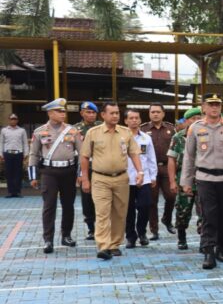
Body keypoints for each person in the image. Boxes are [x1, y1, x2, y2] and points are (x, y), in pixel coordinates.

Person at [181, 93, 223, 269]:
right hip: (205, 178)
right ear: (203, 107)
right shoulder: (195, 128)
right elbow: (188, 156)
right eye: (210, 104)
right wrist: (186, 181)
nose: (214, 107)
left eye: (217, 104)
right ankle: (208, 251)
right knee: (209, 215)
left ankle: (221, 247)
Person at [80, 102, 144, 260]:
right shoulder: (93, 133)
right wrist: (85, 179)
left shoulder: (125, 132)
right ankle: (103, 246)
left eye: (117, 113)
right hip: (100, 178)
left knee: (119, 213)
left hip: (121, 178)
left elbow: (134, 153)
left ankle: (115, 244)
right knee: (102, 213)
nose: (115, 116)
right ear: (103, 115)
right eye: (112, 113)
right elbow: (84, 156)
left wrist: (140, 171)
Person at [28, 99, 81, 253]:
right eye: (59, 111)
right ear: (50, 113)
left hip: (69, 171)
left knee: (68, 205)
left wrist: (81, 174)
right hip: (49, 172)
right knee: (49, 206)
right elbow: (34, 154)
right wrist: (33, 176)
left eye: (64, 111)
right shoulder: (40, 131)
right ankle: (48, 240)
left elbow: (83, 153)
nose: (63, 113)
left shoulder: (73, 131)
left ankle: (66, 236)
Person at [140, 103, 176, 239]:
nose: (155, 114)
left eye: (158, 112)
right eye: (152, 112)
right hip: (150, 169)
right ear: (149, 114)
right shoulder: (142, 129)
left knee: (171, 195)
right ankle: (154, 230)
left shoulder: (171, 129)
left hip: (167, 167)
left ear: (163, 114)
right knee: (152, 200)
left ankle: (167, 219)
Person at [168, 107, 202, 250]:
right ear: (187, 121)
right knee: (183, 211)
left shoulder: (205, 135)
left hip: (203, 180)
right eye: (193, 119)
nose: (196, 121)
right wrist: (172, 181)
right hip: (184, 180)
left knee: (205, 212)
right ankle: (181, 238)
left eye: (198, 118)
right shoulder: (178, 137)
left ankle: (205, 241)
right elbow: (172, 159)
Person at [125, 109, 159, 248]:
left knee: (145, 206)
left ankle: (142, 232)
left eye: (136, 118)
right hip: (126, 179)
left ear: (140, 120)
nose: (134, 120)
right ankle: (130, 237)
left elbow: (151, 158)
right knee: (129, 210)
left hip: (143, 178)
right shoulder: (121, 137)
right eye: (131, 118)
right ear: (126, 121)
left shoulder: (146, 138)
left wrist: (153, 176)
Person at [74, 102, 102, 239]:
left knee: (102, 198)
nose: (91, 115)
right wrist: (80, 173)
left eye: (93, 113)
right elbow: (76, 154)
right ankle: (91, 228)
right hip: (86, 168)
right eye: (88, 112)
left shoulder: (102, 127)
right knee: (87, 199)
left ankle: (102, 227)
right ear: (81, 113)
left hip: (101, 167)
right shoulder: (75, 130)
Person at [0, 113, 28, 198]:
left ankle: (17, 192)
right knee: (9, 173)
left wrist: (26, 153)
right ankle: (10, 192)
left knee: (18, 173)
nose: (13, 120)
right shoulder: (4, 130)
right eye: (11, 119)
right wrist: (0, 153)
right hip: (7, 153)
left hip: (18, 153)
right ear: (9, 120)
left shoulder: (22, 130)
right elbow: (1, 142)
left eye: (15, 119)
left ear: (17, 120)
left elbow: (25, 142)